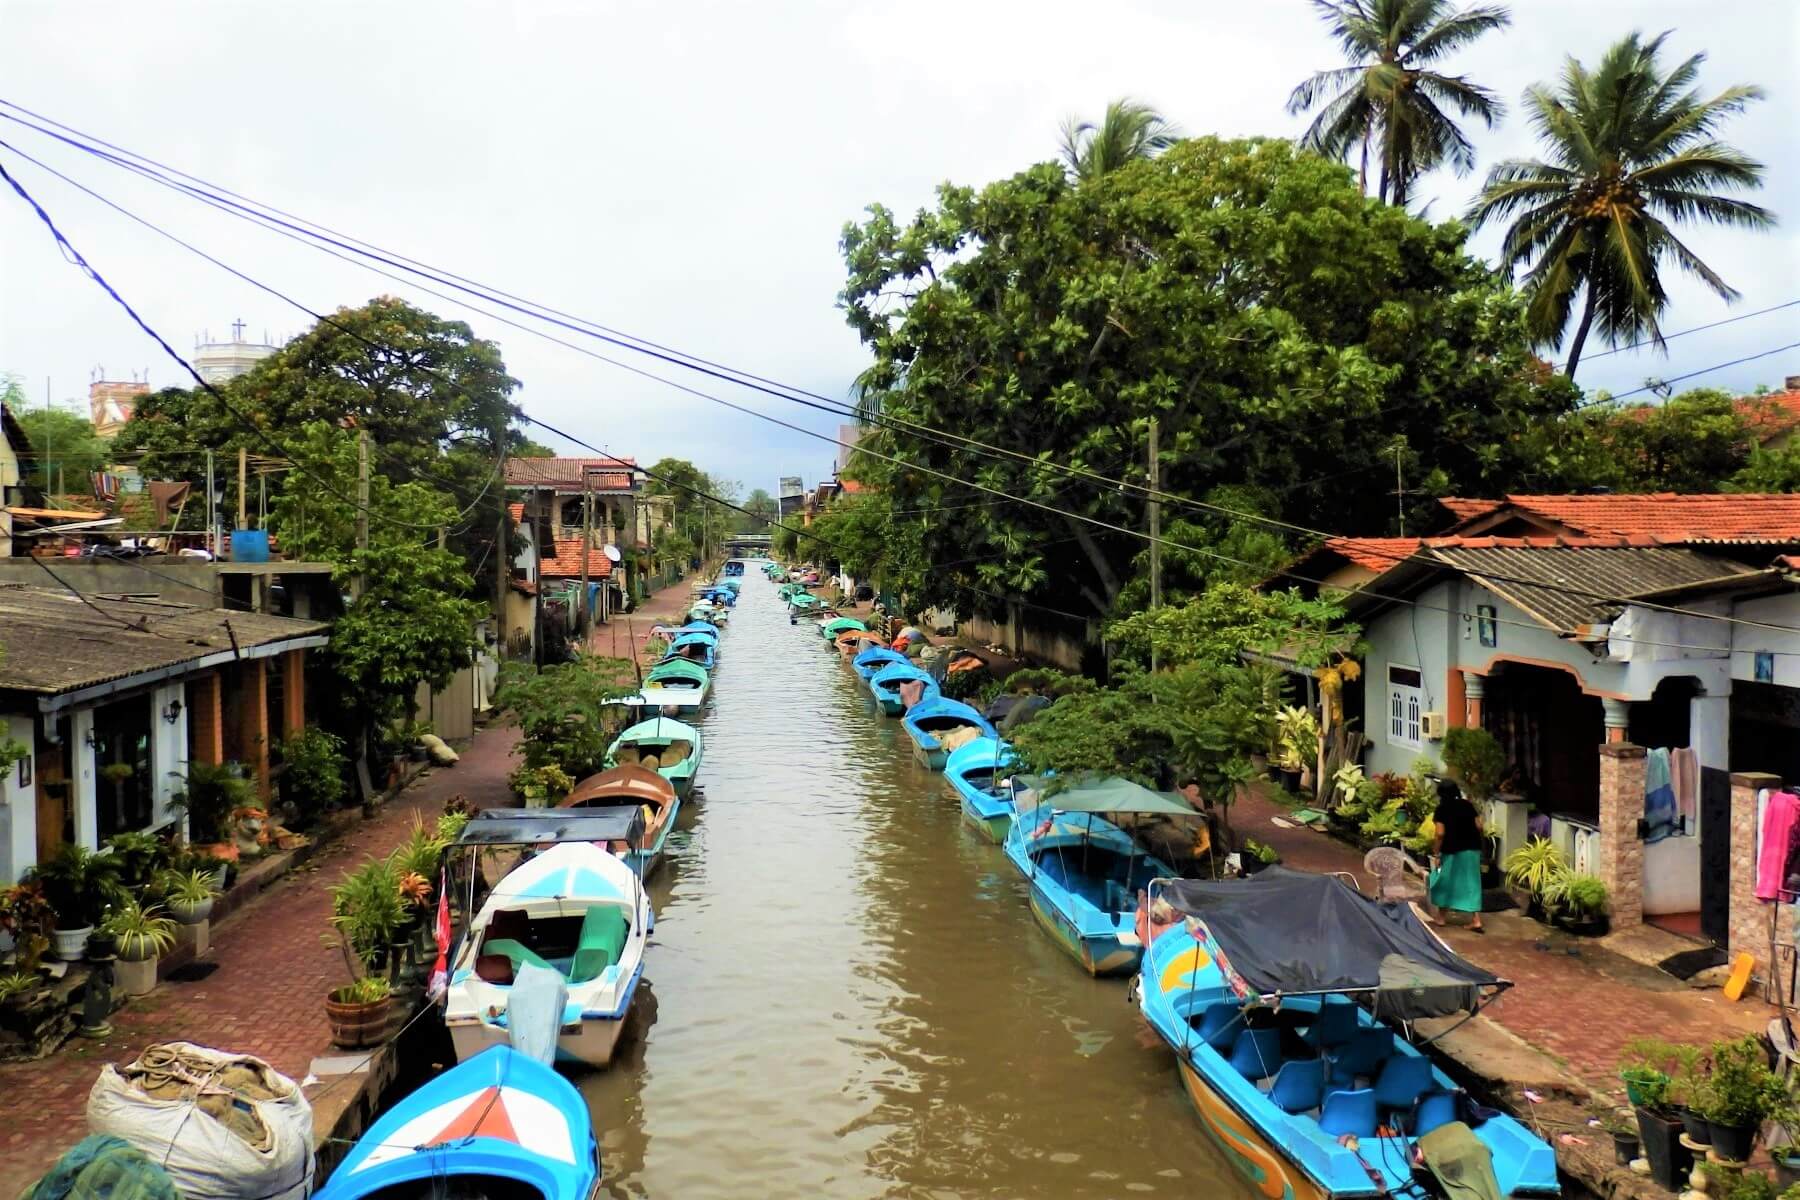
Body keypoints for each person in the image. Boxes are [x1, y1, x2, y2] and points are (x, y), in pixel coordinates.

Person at [1427, 779, 1485, 932]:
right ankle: (1476, 920)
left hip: (1451, 850)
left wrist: (1436, 853)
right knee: (1472, 882)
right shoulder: (1467, 805)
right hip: (1472, 849)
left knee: (1446, 880)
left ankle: (1440, 917)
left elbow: (1440, 834)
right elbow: (1479, 826)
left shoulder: (1442, 809)